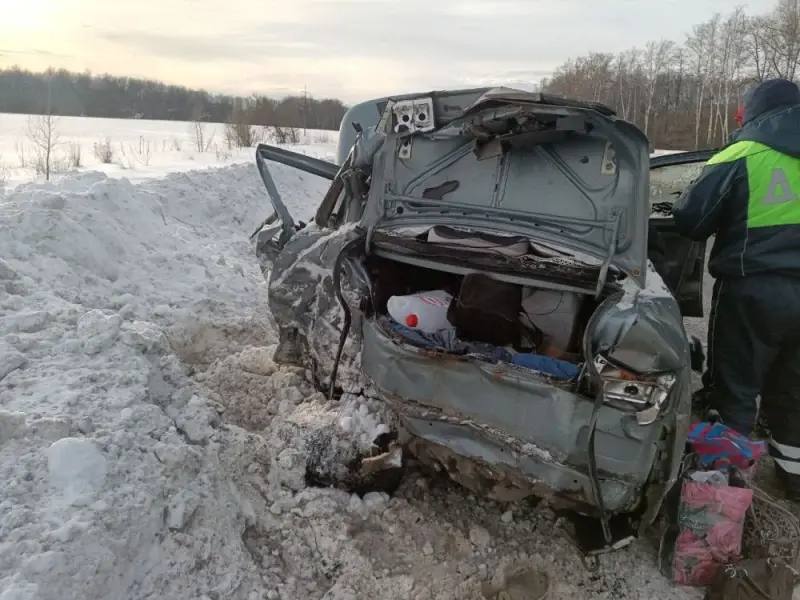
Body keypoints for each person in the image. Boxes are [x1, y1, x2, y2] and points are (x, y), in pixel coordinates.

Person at [672, 78, 800, 496]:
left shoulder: (742, 154)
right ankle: (793, 483)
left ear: (754, 112)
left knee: (735, 388)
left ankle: (722, 494)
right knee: (793, 390)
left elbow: (691, 219)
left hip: (753, 291)